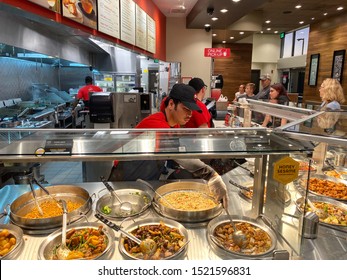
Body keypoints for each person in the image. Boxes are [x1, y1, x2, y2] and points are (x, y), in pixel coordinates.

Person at [108, 83, 228, 206]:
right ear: (171, 104)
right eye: (186, 109)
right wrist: (211, 174)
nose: (190, 115)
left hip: (144, 179)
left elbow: (178, 150)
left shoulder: (173, 123)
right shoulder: (157, 125)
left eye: (191, 110)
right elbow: (180, 156)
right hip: (125, 180)